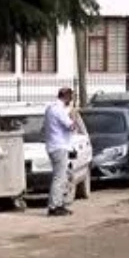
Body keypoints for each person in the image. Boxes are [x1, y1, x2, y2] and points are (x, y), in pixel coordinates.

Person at [43, 87, 78, 217]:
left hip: (54, 145)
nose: (71, 100)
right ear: (66, 97)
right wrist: (74, 115)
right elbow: (71, 126)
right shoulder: (59, 110)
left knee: (63, 175)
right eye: (71, 97)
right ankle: (54, 206)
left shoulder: (51, 108)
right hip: (59, 146)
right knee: (59, 177)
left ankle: (59, 203)